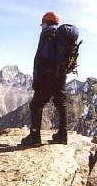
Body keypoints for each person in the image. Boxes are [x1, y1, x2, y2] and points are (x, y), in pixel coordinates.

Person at [20, 11, 68, 146]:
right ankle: (63, 135)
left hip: (47, 76)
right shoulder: (62, 35)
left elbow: (39, 59)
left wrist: (37, 80)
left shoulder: (47, 33)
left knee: (36, 104)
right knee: (61, 102)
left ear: (46, 23)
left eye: (43, 23)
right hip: (61, 75)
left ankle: (35, 136)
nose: (42, 26)